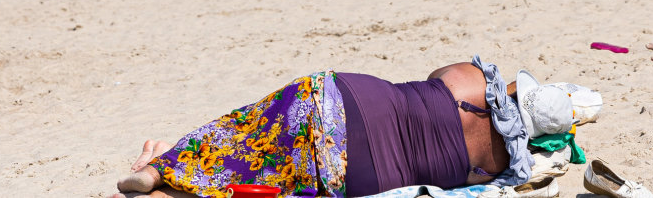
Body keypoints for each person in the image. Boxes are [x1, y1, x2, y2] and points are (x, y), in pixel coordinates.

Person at [108, 57, 575, 198]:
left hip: (345, 103)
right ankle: (168, 193)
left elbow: (430, 82)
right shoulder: (496, 165)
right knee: (270, 179)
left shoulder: (469, 79)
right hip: (360, 175)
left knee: (241, 135)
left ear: (514, 91)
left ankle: (159, 168)